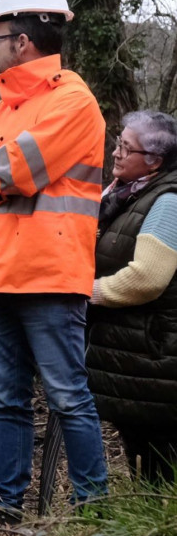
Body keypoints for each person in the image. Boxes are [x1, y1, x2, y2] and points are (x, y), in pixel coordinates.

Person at [0, 0, 107, 520]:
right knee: (4, 404)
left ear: (21, 41)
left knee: (68, 398)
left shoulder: (74, 101)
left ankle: (93, 516)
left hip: (50, 276)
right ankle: (7, 511)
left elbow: (16, 168)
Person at [87, 111, 177, 483]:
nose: (115, 153)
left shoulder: (168, 202)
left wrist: (85, 292)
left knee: (163, 463)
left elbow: (147, 278)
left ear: (154, 161)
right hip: (132, 352)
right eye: (118, 143)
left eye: (126, 147)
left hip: (157, 354)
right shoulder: (121, 195)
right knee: (144, 458)